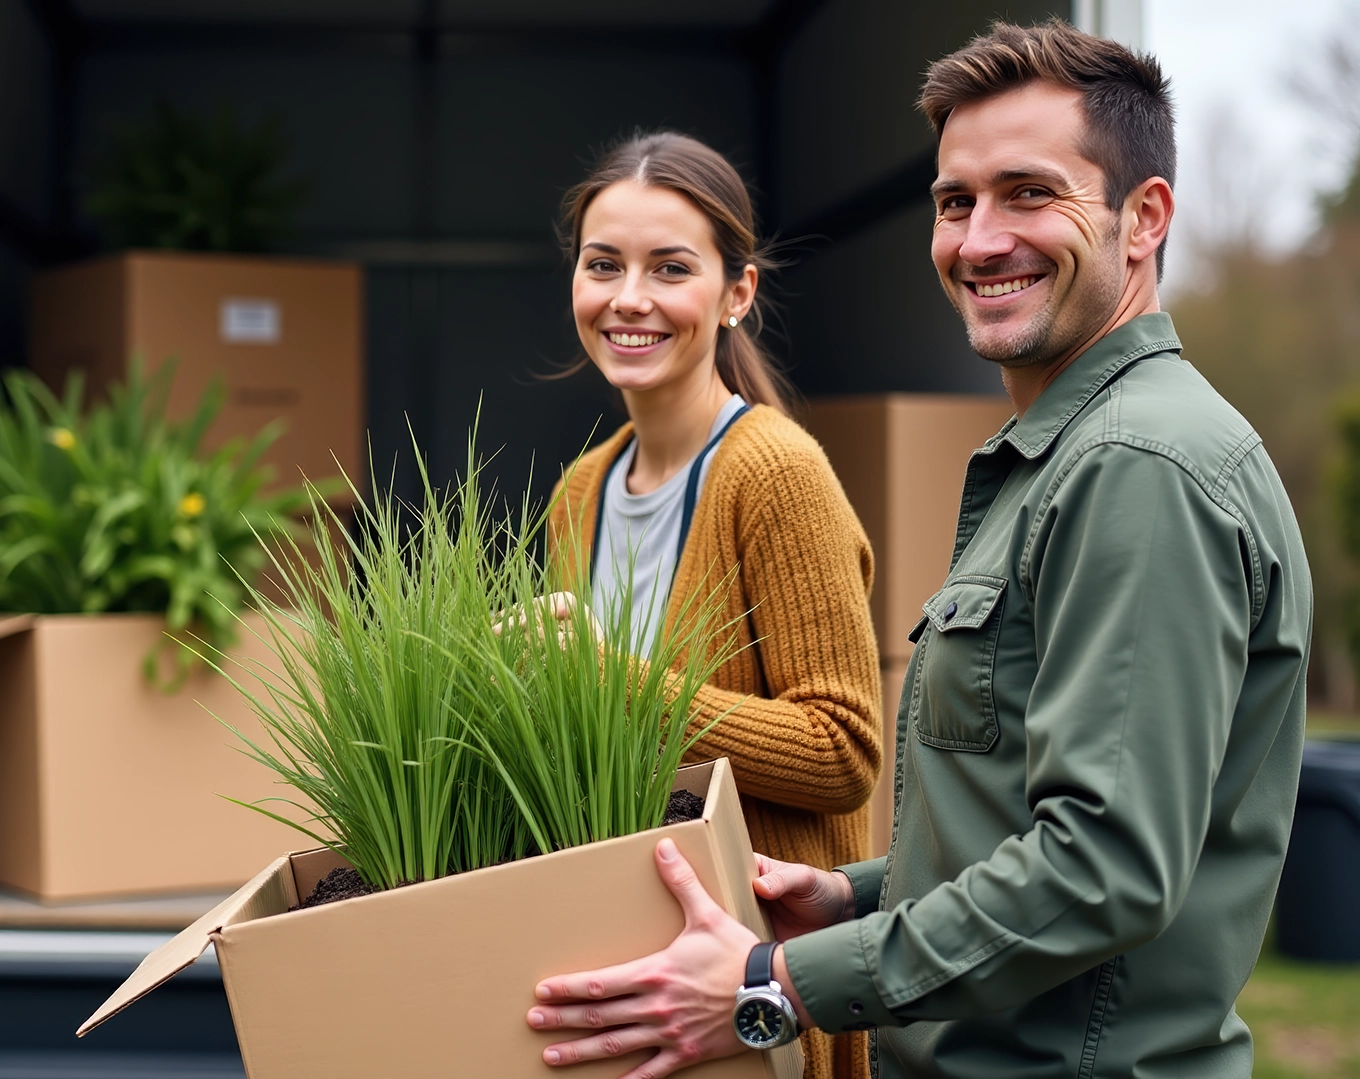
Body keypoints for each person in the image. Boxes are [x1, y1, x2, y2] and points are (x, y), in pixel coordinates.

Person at [526, 21, 1312, 1079]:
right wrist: (854, 893)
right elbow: (1026, 818)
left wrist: (778, 983)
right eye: (955, 202)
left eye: (1030, 193)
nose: (979, 240)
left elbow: (1103, 868)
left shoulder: (1140, 465)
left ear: (1145, 219)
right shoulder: (1060, 457)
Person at [543, 131, 884, 1079]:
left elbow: (845, 750)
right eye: (603, 264)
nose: (630, 298)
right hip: (622, 971)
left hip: (754, 988)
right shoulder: (580, 490)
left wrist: (613, 684)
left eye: (670, 267)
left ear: (737, 293)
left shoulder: (774, 474)